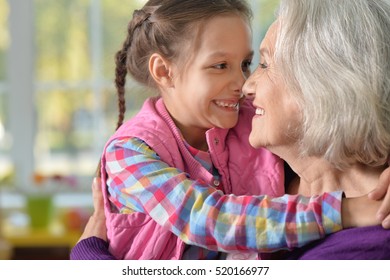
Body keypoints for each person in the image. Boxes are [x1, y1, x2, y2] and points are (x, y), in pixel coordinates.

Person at [71, 0, 390, 260]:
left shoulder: (248, 120)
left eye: (249, 63)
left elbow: (344, 118)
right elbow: (204, 218)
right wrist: (344, 210)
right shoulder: (131, 152)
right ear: (164, 71)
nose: (242, 84)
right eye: (220, 66)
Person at [240, 0, 390, 259]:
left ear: (322, 82)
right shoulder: (255, 172)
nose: (246, 87)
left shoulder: (367, 252)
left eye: (264, 65)